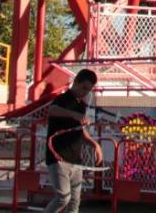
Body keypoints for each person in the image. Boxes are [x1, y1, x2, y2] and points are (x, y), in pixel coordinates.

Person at [42, 68, 98, 213]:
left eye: (88, 90)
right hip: (58, 156)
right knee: (63, 197)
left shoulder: (81, 105)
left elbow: (80, 129)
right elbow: (52, 110)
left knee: (74, 201)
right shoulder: (63, 99)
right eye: (84, 88)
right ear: (76, 82)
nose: (85, 92)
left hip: (75, 159)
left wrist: (94, 144)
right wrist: (73, 114)